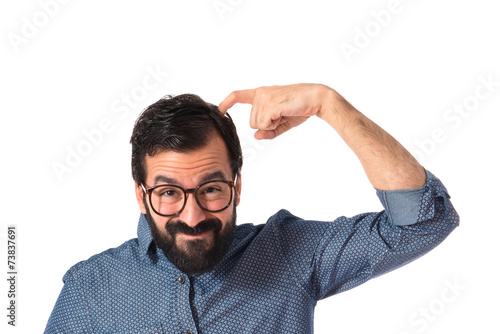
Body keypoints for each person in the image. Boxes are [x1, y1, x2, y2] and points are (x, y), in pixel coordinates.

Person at [44, 83, 459, 333]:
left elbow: (423, 222)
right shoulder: (89, 290)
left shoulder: (288, 252)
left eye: (210, 189)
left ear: (237, 186)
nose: (192, 218)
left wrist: (326, 103)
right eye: (168, 193)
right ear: (141, 196)